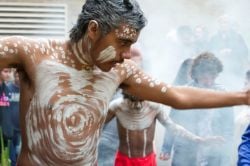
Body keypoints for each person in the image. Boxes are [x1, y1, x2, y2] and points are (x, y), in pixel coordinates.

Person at [0, 0, 250, 165]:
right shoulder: (33, 54)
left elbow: (177, 95)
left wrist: (242, 97)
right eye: (123, 42)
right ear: (93, 29)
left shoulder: (120, 71)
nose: (128, 53)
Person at [105, 91, 224, 166]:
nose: (137, 105)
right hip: (124, 160)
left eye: (140, 100)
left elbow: (173, 128)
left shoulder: (154, 106)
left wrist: (199, 139)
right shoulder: (116, 106)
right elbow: (96, 126)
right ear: (125, 95)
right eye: (132, 101)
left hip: (147, 160)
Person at [160, 52, 234, 166]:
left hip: (213, 150)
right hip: (186, 149)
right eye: (205, 78)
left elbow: (228, 125)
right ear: (196, 75)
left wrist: (225, 150)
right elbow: (172, 123)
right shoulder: (183, 92)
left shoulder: (223, 93)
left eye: (213, 77)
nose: (209, 82)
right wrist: (166, 148)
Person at [7, 70, 21, 166]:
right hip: (10, 128)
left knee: (19, 153)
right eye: (16, 76)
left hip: (21, 129)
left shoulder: (25, 90)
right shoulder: (8, 89)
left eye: (19, 76)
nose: (18, 79)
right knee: (11, 157)